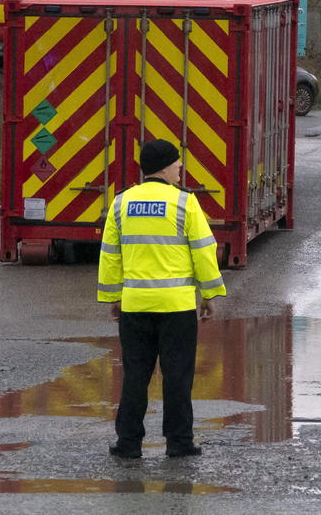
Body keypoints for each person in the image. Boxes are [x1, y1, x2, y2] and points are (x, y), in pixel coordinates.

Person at [98, 138, 226, 459]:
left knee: (136, 376)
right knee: (177, 376)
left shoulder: (121, 203)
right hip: (176, 308)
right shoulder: (185, 203)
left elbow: (111, 255)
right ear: (166, 167)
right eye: (177, 162)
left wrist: (114, 297)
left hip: (135, 307)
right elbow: (203, 252)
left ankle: (128, 443)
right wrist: (209, 295)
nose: (181, 167)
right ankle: (179, 443)